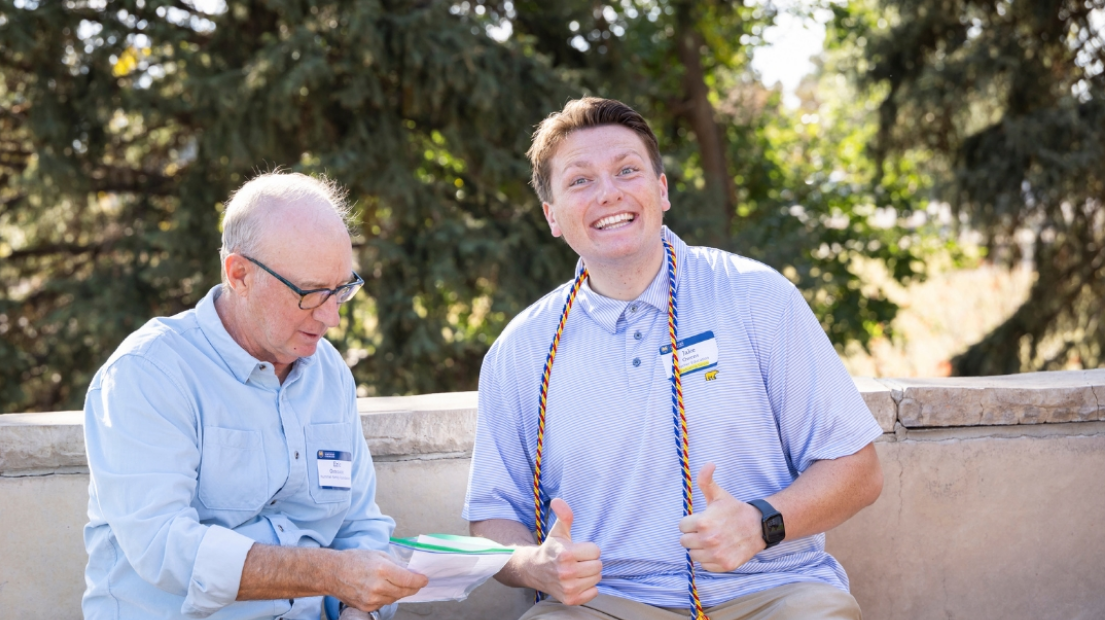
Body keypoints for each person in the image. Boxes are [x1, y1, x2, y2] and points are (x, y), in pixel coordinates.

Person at [463, 98, 884, 620]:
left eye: (627, 170)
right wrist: (532, 565)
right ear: (552, 215)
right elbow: (492, 515)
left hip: (774, 593)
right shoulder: (519, 349)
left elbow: (858, 469)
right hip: (604, 605)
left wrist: (761, 522)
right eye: (579, 181)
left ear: (661, 190)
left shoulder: (757, 297)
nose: (608, 192)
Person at [81, 172, 427, 620]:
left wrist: (359, 610)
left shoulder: (330, 374)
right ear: (239, 274)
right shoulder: (149, 373)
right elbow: (164, 547)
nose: (331, 318)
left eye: (341, 290)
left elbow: (358, 525)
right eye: (310, 293)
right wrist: (331, 573)